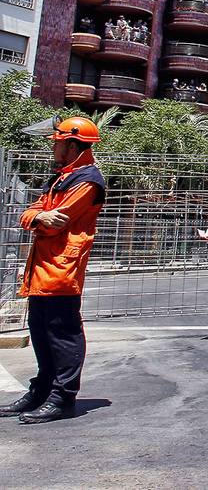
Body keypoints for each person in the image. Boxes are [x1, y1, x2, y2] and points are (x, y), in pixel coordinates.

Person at [1, 116, 107, 424]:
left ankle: (62, 397)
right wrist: (37, 218)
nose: (54, 149)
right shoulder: (61, 178)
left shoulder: (87, 180)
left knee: (62, 332)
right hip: (43, 266)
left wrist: (39, 219)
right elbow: (35, 214)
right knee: (40, 330)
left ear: (72, 145)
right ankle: (42, 390)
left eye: (58, 143)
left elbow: (55, 223)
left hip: (62, 266)